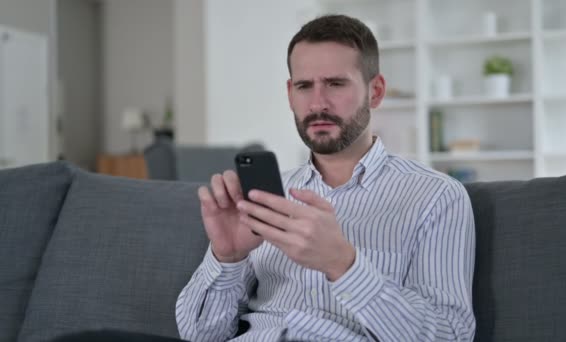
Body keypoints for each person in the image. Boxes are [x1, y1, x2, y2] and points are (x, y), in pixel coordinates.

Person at [176, 14, 476, 342]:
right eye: (304, 86)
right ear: (290, 94)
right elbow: (199, 336)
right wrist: (228, 257)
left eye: (335, 83)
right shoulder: (265, 197)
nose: (318, 103)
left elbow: (450, 336)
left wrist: (343, 265)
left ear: (375, 92)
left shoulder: (436, 196)